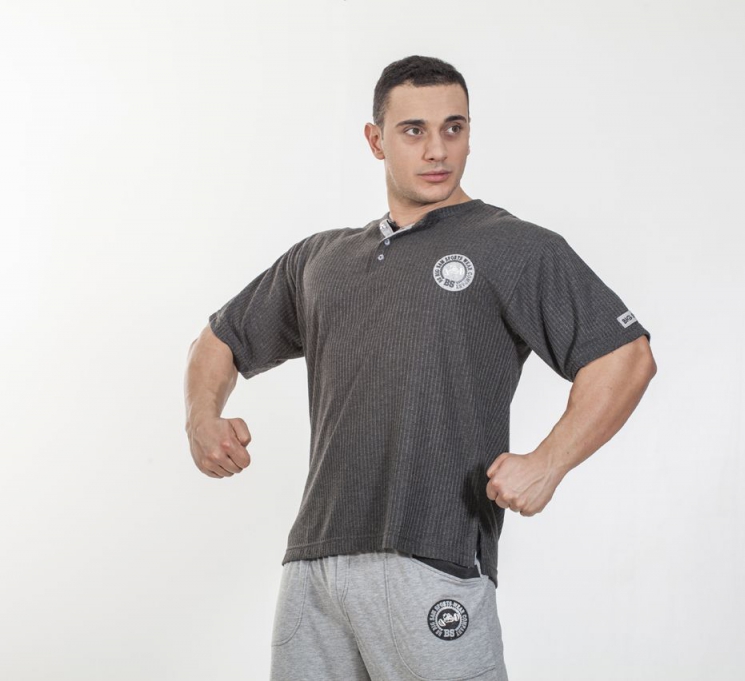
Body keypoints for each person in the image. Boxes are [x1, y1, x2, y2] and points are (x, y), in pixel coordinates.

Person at [184, 55, 657, 681]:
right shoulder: (321, 259)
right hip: (314, 564)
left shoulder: (513, 246)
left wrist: (549, 462)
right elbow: (218, 340)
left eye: (453, 128)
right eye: (413, 131)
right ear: (375, 139)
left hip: (433, 556)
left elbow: (625, 356)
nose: (437, 150)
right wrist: (202, 418)